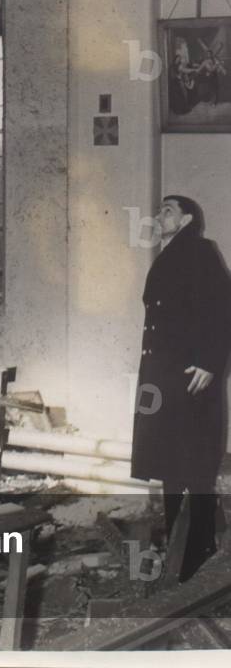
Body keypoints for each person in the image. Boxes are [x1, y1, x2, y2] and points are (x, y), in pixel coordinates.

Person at [131, 196, 231, 582]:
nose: (159, 215)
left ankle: (200, 545)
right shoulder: (170, 254)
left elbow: (224, 308)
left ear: (188, 219)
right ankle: (179, 541)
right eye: (159, 210)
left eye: (168, 210)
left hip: (189, 376)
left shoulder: (200, 252)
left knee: (194, 463)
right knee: (169, 462)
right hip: (162, 376)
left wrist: (210, 361)